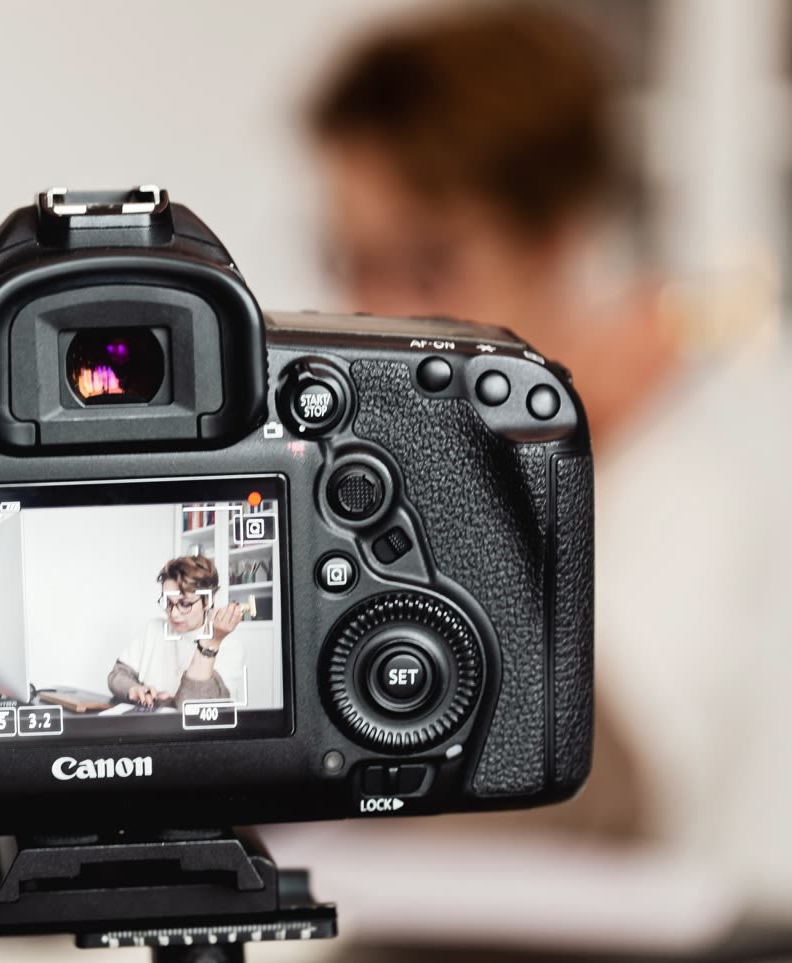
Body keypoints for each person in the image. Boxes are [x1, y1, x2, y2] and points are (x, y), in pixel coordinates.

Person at [304, 3, 673, 843]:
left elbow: (606, 811)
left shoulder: (677, 487)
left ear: (557, 244)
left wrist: (496, 488)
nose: (380, 308)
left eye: (432, 264)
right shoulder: (325, 461)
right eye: (353, 259)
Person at [107, 555, 245, 709]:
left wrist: (210, 644)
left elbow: (194, 708)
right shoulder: (153, 628)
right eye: (168, 602)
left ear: (208, 600)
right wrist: (133, 688)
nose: (173, 614)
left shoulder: (229, 645)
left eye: (184, 604)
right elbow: (117, 675)